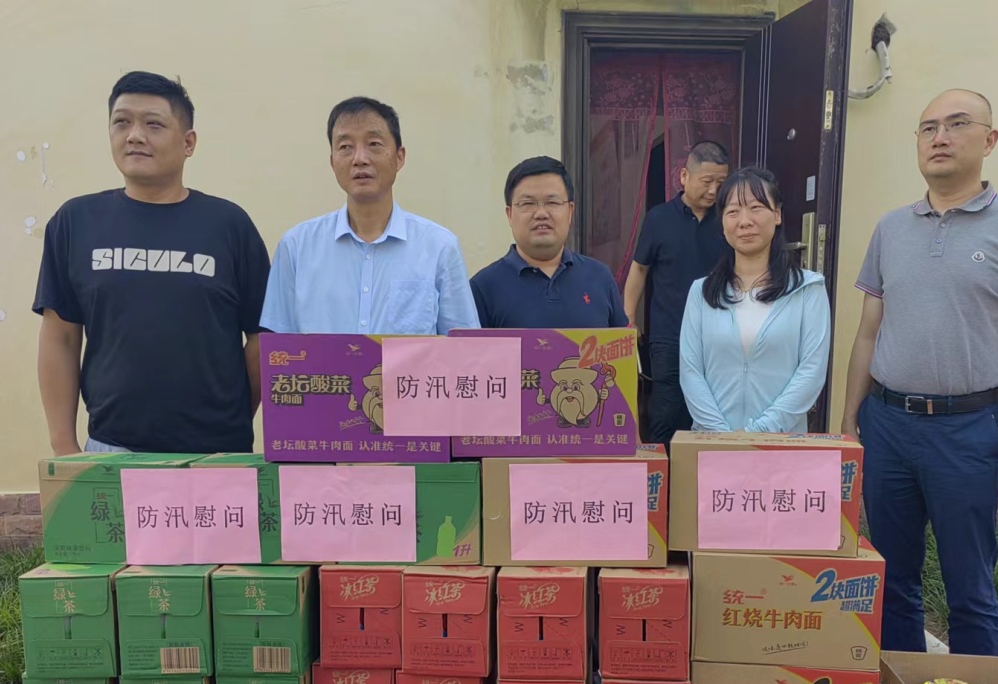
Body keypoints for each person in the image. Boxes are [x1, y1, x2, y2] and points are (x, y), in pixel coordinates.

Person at [841, 89, 998, 657]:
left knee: (970, 587)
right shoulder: (891, 228)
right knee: (892, 582)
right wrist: (848, 423)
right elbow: (868, 333)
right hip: (887, 425)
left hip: (966, 430)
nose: (939, 137)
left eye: (957, 124)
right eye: (928, 127)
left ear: (989, 140)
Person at [34, 71, 270, 455]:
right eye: (121, 122)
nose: (134, 135)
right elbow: (60, 336)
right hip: (110, 452)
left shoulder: (230, 225)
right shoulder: (76, 222)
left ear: (188, 142)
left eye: (153, 124)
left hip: (217, 457)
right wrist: (64, 447)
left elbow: (263, 338)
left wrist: (234, 421)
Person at [259, 96, 479, 334]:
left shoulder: (439, 247)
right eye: (345, 147)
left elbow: (463, 346)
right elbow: (278, 346)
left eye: (374, 144)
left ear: (400, 157)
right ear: (332, 162)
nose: (360, 159)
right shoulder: (297, 247)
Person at [679, 166, 830, 433]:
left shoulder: (808, 289)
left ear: (777, 214)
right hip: (712, 444)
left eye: (756, 208)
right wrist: (722, 437)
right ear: (722, 222)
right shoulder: (701, 292)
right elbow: (691, 371)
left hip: (780, 443)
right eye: (733, 211)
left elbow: (811, 372)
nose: (744, 221)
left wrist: (756, 435)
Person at [624, 141, 731, 444]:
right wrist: (629, 318)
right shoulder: (659, 219)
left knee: (713, 411)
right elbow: (639, 270)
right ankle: (665, 470)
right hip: (669, 333)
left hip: (718, 334)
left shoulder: (728, 220)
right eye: (706, 181)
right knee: (666, 411)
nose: (713, 190)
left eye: (721, 183)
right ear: (684, 176)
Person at [470, 156, 627, 329]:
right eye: (528, 203)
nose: (541, 214)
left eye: (552, 202)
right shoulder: (483, 288)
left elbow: (623, 344)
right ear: (509, 214)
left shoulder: (600, 277)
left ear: (570, 211)